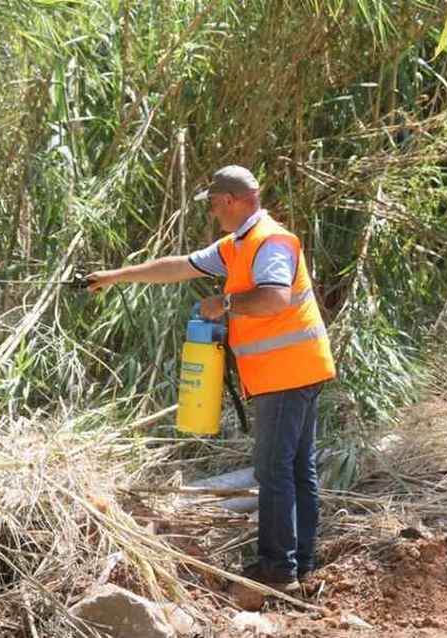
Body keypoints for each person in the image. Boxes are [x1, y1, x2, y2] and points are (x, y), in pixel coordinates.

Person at [87, 165, 336, 592]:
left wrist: (224, 303)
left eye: (214, 206)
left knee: (274, 469)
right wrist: (116, 277)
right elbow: (180, 267)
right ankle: (300, 563)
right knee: (296, 469)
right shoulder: (238, 245)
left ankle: (278, 569)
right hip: (295, 369)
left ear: (231, 200)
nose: (212, 214)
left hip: (286, 372)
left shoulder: (270, 241)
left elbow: (275, 298)